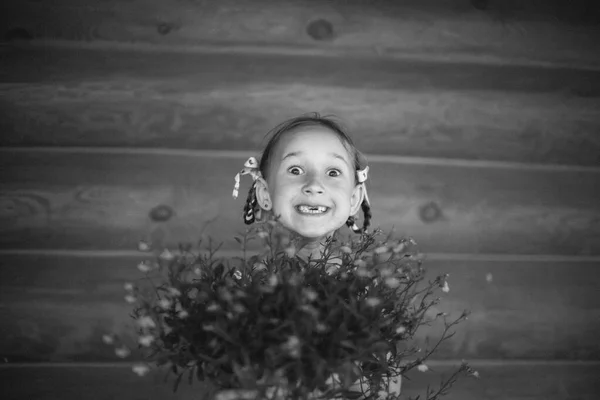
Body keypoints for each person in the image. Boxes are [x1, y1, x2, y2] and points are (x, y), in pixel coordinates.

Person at [232, 113, 372, 262]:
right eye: (295, 171)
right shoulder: (248, 282)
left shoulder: (361, 281)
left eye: (333, 172)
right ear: (265, 193)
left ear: (354, 199)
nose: (314, 185)